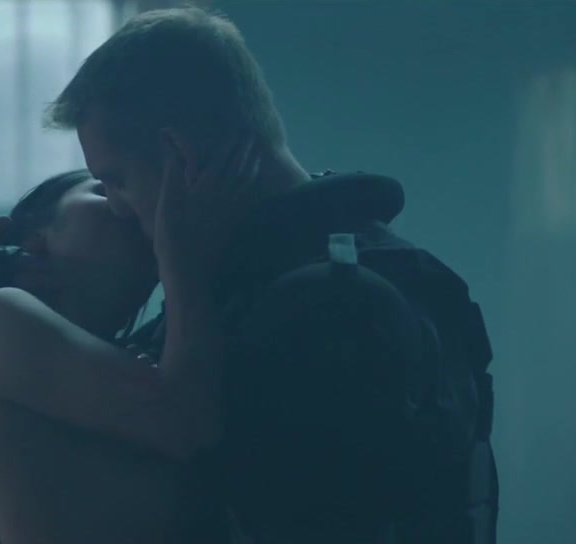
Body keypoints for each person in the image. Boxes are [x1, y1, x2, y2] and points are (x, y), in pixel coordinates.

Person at [43, 7, 499, 543]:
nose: (116, 209)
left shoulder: (318, 309)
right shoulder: (382, 267)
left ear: (180, 156)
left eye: (117, 180)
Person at [0, 160, 256, 543]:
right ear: (33, 235)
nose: (131, 206)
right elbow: (188, 422)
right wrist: (181, 259)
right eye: (106, 188)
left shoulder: (135, 361)